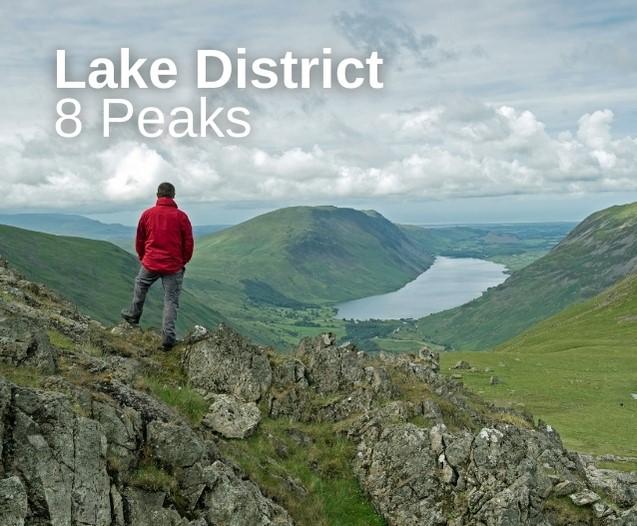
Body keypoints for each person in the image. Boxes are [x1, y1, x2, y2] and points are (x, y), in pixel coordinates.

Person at [121, 182, 194, 350]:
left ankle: (133, 315)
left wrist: (143, 257)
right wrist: (183, 261)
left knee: (141, 285)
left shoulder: (147, 214)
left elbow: (140, 239)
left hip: (151, 262)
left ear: (157, 195)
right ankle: (168, 338)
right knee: (171, 300)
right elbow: (188, 243)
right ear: (173, 195)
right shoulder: (181, 216)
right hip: (173, 265)